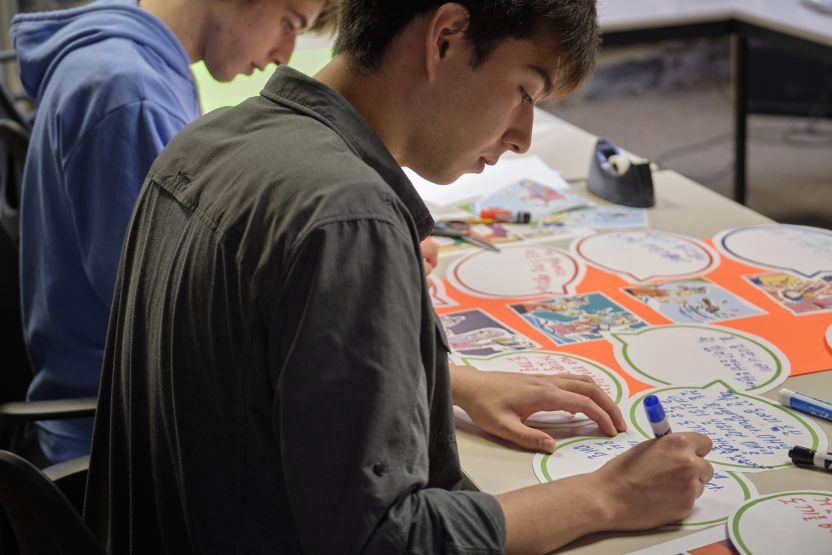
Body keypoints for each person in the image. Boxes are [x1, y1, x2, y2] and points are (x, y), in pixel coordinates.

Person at [84, 1, 715, 553]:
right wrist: (607, 496)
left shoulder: (210, 139)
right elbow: (387, 539)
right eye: (526, 89)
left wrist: (443, 384)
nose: (522, 136)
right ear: (446, 36)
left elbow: (251, 382)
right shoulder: (347, 217)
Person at [11, 0, 337, 464]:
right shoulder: (131, 94)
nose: (283, 54)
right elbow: (188, 319)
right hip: (118, 446)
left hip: (108, 410)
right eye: (287, 23)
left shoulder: (131, 62)